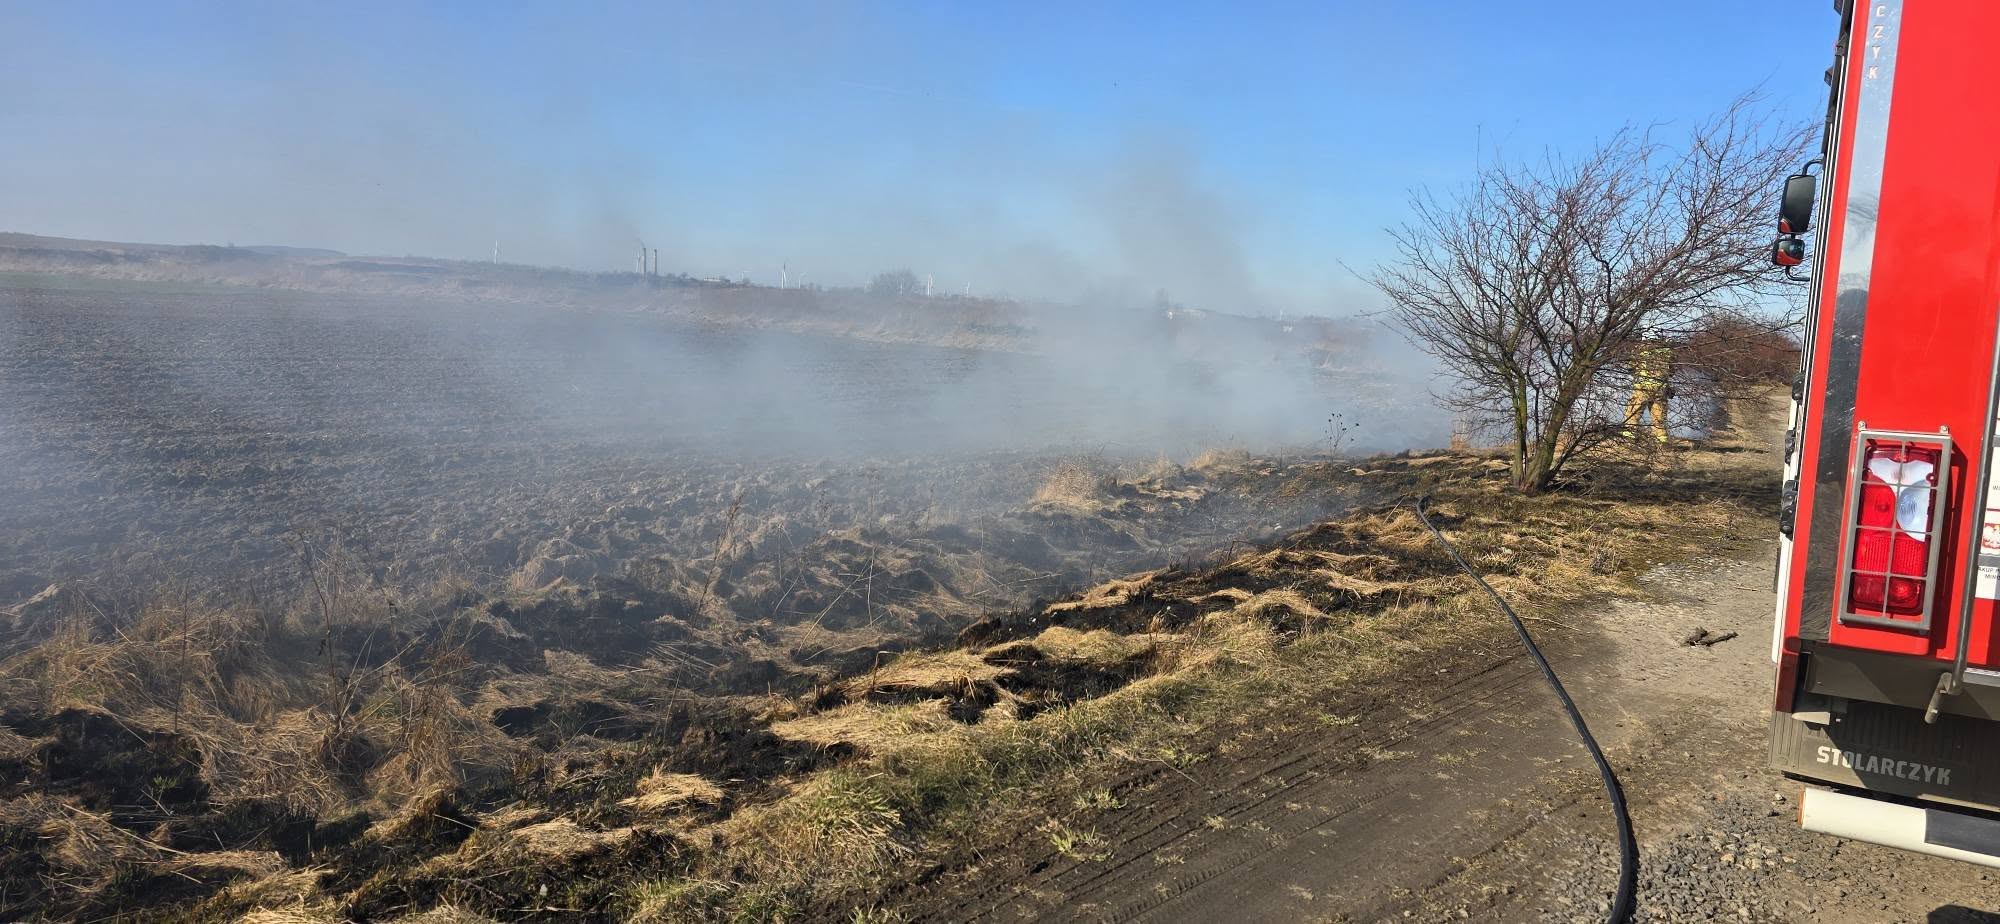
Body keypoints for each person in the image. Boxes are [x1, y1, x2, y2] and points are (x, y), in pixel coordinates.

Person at [1622, 337, 1674, 444]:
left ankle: (1629, 440)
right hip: (1660, 389)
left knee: (1633, 413)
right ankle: (1662, 442)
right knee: (1659, 416)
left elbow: (1631, 368)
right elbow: (1672, 371)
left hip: (1642, 387)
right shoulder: (1668, 351)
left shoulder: (1639, 349)